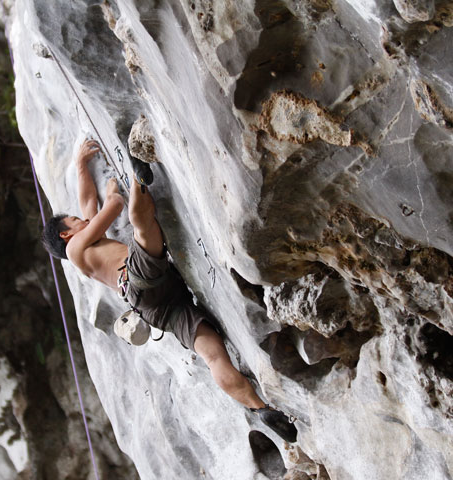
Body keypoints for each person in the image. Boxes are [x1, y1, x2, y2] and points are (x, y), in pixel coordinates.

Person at [42, 139, 297, 443]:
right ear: (65, 234)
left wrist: (81, 165)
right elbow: (112, 207)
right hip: (137, 278)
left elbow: (87, 203)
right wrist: (112, 193)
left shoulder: (85, 246)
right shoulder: (75, 249)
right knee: (143, 230)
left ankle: (260, 407)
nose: (84, 219)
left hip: (155, 308)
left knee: (212, 355)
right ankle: (139, 180)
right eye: (75, 221)